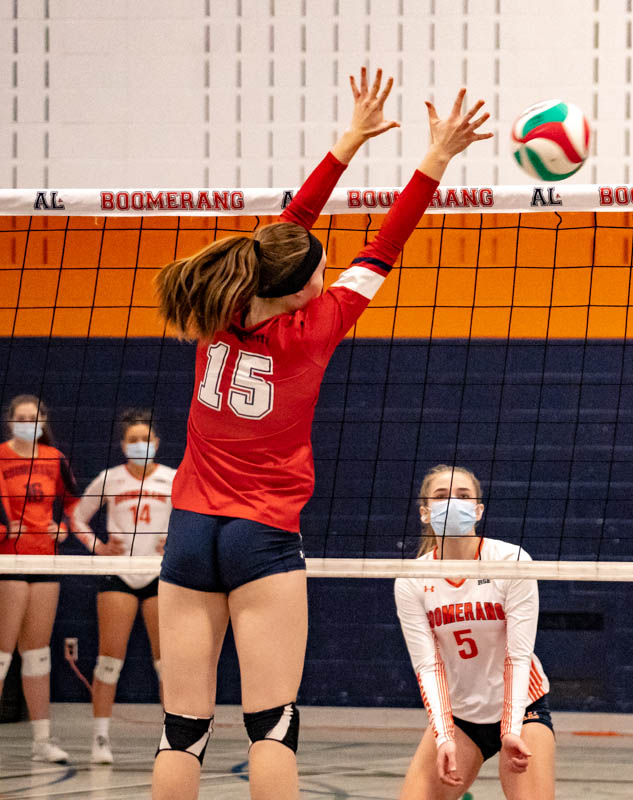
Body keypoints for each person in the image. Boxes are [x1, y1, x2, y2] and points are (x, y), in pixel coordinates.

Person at [148, 69, 491, 800]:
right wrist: (436, 157)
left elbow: (284, 230)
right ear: (304, 288)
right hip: (261, 535)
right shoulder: (317, 327)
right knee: (272, 725)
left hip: (188, 528)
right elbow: (386, 241)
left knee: (181, 730)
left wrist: (349, 140)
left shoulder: (221, 306)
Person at [393, 464, 555, 800]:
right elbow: (428, 666)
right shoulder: (411, 579)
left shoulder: (510, 560)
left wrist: (509, 730)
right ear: (425, 513)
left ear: (478, 510)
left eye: (463, 495)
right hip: (462, 714)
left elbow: (518, 656)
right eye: (441, 496)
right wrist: (443, 736)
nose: (452, 502)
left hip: (523, 707)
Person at [0, 394, 111, 762]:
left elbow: (76, 505)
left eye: (34, 417)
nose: (27, 423)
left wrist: (64, 528)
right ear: (9, 420)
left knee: (37, 655)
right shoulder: (1, 457)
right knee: (2, 655)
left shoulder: (55, 459)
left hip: (45, 561)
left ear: (43, 421)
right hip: (9, 562)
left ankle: (41, 742)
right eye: (21, 417)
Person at [73, 408, 176, 764]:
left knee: (167, 664)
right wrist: (97, 547)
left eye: (145, 439)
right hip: (119, 573)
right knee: (108, 662)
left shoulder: (173, 480)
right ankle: (100, 739)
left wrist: (177, 541)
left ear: (157, 442)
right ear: (122, 445)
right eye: (133, 440)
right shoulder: (109, 479)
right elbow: (76, 517)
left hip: (159, 574)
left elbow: (196, 518)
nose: (140, 445)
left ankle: (171, 739)